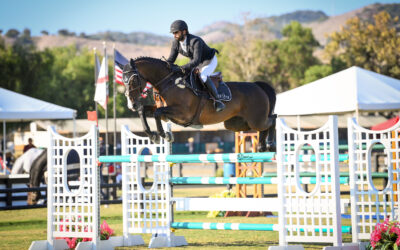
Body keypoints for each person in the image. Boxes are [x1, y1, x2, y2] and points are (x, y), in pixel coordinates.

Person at [167, 20, 225, 112]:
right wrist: (163, 66)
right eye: (173, 33)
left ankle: (218, 101)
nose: (174, 35)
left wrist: (181, 68)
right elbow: (171, 60)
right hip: (197, 62)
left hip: (209, 60)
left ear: (184, 31)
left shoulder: (195, 41)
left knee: (203, 76)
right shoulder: (176, 43)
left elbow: (196, 60)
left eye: (176, 32)